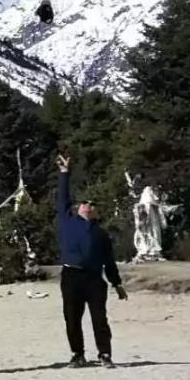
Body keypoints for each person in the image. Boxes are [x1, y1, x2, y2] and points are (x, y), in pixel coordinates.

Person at [55, 155, 128, 368]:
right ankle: (77, 354)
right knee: (72, 317)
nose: (87, 205)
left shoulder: (101, 234)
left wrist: (117, 284)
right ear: (78, 209)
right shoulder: (68, 222)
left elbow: (109, 261)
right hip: (71, 275)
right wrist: (64, 174)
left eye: (92, 204)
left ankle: (104, 354)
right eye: (84, 203)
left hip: (94, 279)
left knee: (99, 318)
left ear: (97, 213)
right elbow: (63, 199)